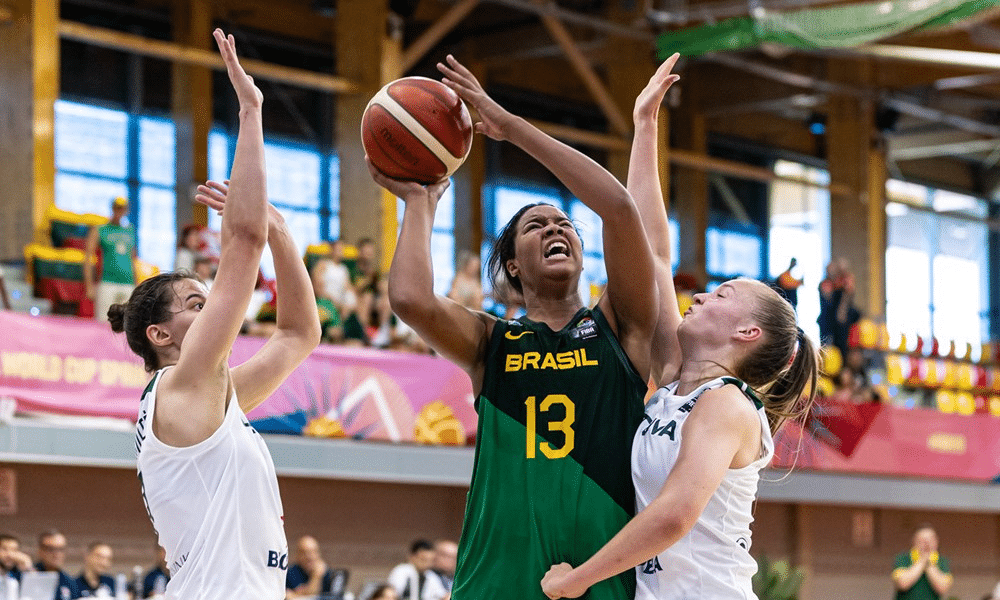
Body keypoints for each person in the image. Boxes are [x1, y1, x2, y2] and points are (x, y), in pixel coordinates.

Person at [371, 55, 657, 600]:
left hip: (594, 586)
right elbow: (409, 297)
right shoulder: (491, 341)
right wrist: (418, 203)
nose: (555, 227)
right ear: (514, 267)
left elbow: (619, 208)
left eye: (564, 223)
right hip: (493, 584)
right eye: (536, 225)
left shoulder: (622, 327)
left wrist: (509, 127)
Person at [541, 54, 818, 600]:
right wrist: (645, 128)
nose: (699, 295)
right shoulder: (673, 378)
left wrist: (576, 581)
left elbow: (675, 515)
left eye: (721, 294)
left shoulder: (728, 404)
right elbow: (654, 251)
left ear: (747, 333)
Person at [111, 30, 320, 600]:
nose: (214, 311)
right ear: (160, 335)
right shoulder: (183, 386)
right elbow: (242, 243)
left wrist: (282, 233)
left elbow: (299, 333)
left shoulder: (209, 397)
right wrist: (250, 113)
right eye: (196, 304)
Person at [84, 196, 138, 322]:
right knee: (104, 322)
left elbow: (133, 260)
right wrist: (89, 285)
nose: (119, 212)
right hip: (107, 282)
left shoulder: (129, 231)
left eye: (122, 209)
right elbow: (88, 257)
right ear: (112, 208)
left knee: (127, 323)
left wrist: (136, 285)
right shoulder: (101, 229)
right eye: (117, 208)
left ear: (126, 210)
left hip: (128, 283)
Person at [892, 524, 953, 600]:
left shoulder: (942, 561)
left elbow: (942, 588)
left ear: (936, 541)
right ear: (914, 541)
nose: (927, 543)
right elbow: (903, 584)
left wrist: (928, 564)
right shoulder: (903, 558)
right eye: (922, 540)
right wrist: (922, 561)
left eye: (930, 540)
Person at [285, 535, 348, 599]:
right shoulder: (291, 573)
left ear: (318, 553)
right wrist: (316, 576)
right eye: (304, 553)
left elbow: (336, 596)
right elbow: (307, 596)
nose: (309, 557)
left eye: (312, 552)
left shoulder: (329, 573)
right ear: (297, 555)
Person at [34, 530, 79, 600]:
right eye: (50, 549)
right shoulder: (29, 576)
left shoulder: (69, 582)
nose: (56, 554)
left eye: (61, 549)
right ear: (40, 551)